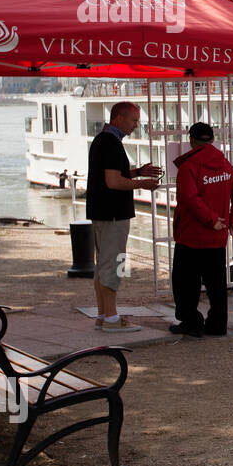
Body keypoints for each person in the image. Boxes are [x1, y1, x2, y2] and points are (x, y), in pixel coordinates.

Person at [86, 102, 161, 332]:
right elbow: (113, 181)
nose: (136, 125)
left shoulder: (103, 139)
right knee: (115, 264)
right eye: (133, 120)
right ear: (118, 118)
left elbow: (111, 175)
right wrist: (143, 184)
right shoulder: (111, 143)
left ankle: (102, 315)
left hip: (102, 212)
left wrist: (138, 172)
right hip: (113, 215)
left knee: (103, 265)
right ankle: (111, 318)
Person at [170, 122, 233, 337]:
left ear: (191, 140)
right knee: (216, 284)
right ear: (212, 140)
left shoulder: (189, 167)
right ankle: (217, 325)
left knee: (186, 283)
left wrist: (210, 219)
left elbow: (189, 199)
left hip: (191, 234)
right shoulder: (224, 165)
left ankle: (191, 322)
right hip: (217, 236)